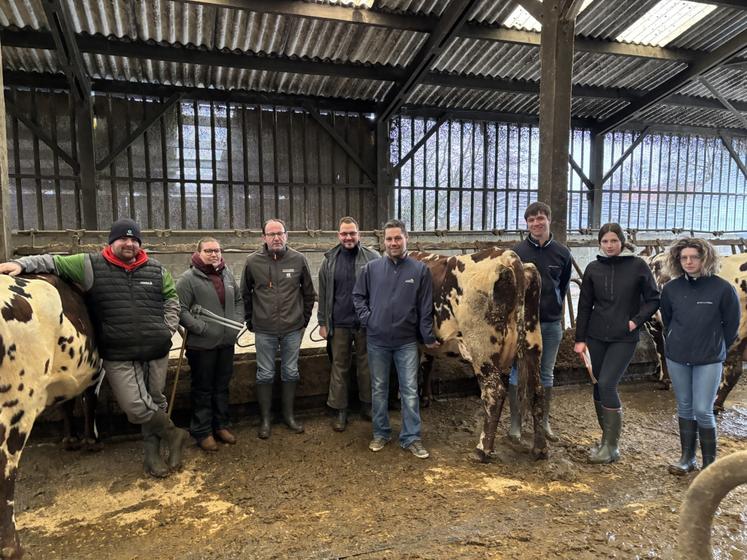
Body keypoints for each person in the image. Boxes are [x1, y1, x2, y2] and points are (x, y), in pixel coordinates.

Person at [0, 218, 187, 478]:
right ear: (112, 241)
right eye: (123, 238)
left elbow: (171, 300)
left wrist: (166, 329)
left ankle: (152, 455)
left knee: (156, 399)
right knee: (135, 406)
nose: (129, 244)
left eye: (134, 239)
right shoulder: (90, 265)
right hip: (118, 352)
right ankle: (174, 433)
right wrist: (20, 264)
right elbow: (52, 262)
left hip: (156, 348)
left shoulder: (156, 269)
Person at [353, 219, 439, 459]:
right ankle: (380, 433)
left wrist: (427, 336)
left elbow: (425, 308)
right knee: (379, 389)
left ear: (406, 238)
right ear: (383, 241)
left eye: (397, 238)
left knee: (410, 389)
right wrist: (369, 319)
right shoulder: (371, 269)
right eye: (389, 239)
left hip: (406, 341)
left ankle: (411, 437)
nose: (393, 243)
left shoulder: (420, 270)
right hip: (377, 340)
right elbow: (358, 296)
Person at [573, 223, 659, 464]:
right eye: (605, 241)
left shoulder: (638, 266)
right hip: (596, 336)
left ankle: (612, 447)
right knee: (598, 386)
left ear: (622, 242)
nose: (609, 245)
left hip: (624, 337)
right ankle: (605, 439)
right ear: (599, 243)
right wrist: (580, 339)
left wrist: (635, 322)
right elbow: (584, 305)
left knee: (608, 384)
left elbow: (653, 299)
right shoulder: (593, 269)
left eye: (613, 241)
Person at [660, 238, 740, 474]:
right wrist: (675, 340)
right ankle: (687, 459)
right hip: (677, 356)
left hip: (709, 358)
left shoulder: (723, 289)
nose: (689, 262)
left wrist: (716, 347)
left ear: (706, 259)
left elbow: (731, 325)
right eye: (684, 257)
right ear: (677, 260)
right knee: (684, 407)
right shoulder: (671, 289)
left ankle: (709, 464)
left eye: (694, 257)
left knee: (703, 409)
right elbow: (667, 320)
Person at [241, 218, 316, 439]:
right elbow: (245, 294)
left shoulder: (298, 259)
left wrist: (303, 319)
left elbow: (309, 293)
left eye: (280, 233)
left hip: (292, 328)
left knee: (290, 371)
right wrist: (250, 320)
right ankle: (265, 419)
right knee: (265, 373)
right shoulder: (252, 262)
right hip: (264, 329)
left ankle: (288, 416)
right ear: (263, 237)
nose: (276, 238)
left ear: (286, 235)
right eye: (271, 234)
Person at [507, 202, 572, 443]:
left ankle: (543, 421)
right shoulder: (516, 253)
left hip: (550, 324)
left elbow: (562, 287)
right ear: (527, 224)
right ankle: (515, 423)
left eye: (540, 218)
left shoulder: (562, 253)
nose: (536, 223)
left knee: (546, 372)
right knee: (517, 370)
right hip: (523, 324)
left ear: (548, 220)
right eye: (531, 219)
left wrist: (556, 310)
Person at [176, 237, 243, 452]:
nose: (214, 254)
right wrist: (200, 328)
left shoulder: (227, 274)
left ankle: (221, 425)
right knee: (203, 388)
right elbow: (180, 309)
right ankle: (202, 431)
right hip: (202, 345)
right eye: (209, 251)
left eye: (217, 250)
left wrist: (236, 323)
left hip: (225, 341)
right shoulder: (188, 279)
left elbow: (239, 301)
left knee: (222, 386)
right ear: (198, 253)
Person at [318, 217, 379, 432]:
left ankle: (367, 405)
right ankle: (340, 410)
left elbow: (380, 291)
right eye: (344, 234)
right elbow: (324, 293)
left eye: (352, 233)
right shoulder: (329, 260)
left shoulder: (373, 257)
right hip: (340, 322)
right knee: (339, 366)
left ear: (359, 234)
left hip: (365, 323)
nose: (348, 237)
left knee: (367, 366)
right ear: (338, 235)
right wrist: (322, 322)